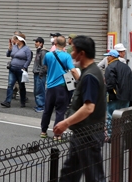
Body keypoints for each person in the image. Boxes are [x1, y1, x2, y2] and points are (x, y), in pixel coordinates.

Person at [53, 35, 106, 182]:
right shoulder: (92, 72)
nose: (71, 53)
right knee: (70, 172)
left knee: (94, 176)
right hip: (84, 132)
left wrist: (65, 123)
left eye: (74, 49)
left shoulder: (90, 76)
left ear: (81, 53)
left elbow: (89, 108)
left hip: (88, 133)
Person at [41, 36, 78, 139]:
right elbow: (73, 70)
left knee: (47, 110)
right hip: (62, 87)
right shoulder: (67, 56)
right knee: (60, 111)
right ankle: (57, 135)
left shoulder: (48, 55)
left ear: (55, 44)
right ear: (65, 45)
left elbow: (45, 66)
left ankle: (43, 132)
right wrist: (80, 80)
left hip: (50, 87)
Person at [103, 49, 132, 135]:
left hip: (115, 96)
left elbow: (110, 83)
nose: (107, 58)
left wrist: (109, 91)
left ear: (112, 57)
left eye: (108, 56)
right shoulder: (126, 66)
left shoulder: (110, 67)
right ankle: (121, 134)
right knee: (122, 116)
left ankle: (111, 135)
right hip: (126, 96)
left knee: (111, 116)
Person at [1, 33, 32, 108]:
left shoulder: (26, 49)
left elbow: (29, 59)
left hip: (21, 69)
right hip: (12, 68)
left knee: (21, 86)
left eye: (17, 39)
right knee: (10, 85)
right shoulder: (14, 47)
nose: (16, 40)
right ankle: (7, 101)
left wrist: (25, 67)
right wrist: (9, 48)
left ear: (21, 40)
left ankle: (23, 101)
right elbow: (8, 54)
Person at [33, 37, 48, 113]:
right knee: (36, 90)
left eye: (37, 42)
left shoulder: (43, 52)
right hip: (36, 73)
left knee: (40, 90)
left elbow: (44, 65)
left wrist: (41, 73)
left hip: (40, 74)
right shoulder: (38, 51)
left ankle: (41, 106)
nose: (35, 43)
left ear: (41, 43)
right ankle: (39, 104)